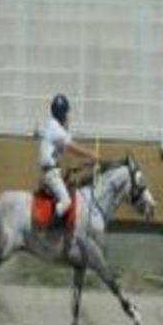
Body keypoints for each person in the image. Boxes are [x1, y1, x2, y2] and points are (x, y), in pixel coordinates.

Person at [38, 94, 98, 228]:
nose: (68, 116)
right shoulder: (56, 129)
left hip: (53, 171)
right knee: (66, 202)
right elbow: (73, 147)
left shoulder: (51, 125)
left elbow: (64, 143)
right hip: (51, 174)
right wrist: (91, 154)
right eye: (66, 113)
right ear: (63, 114)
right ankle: (48, 228)